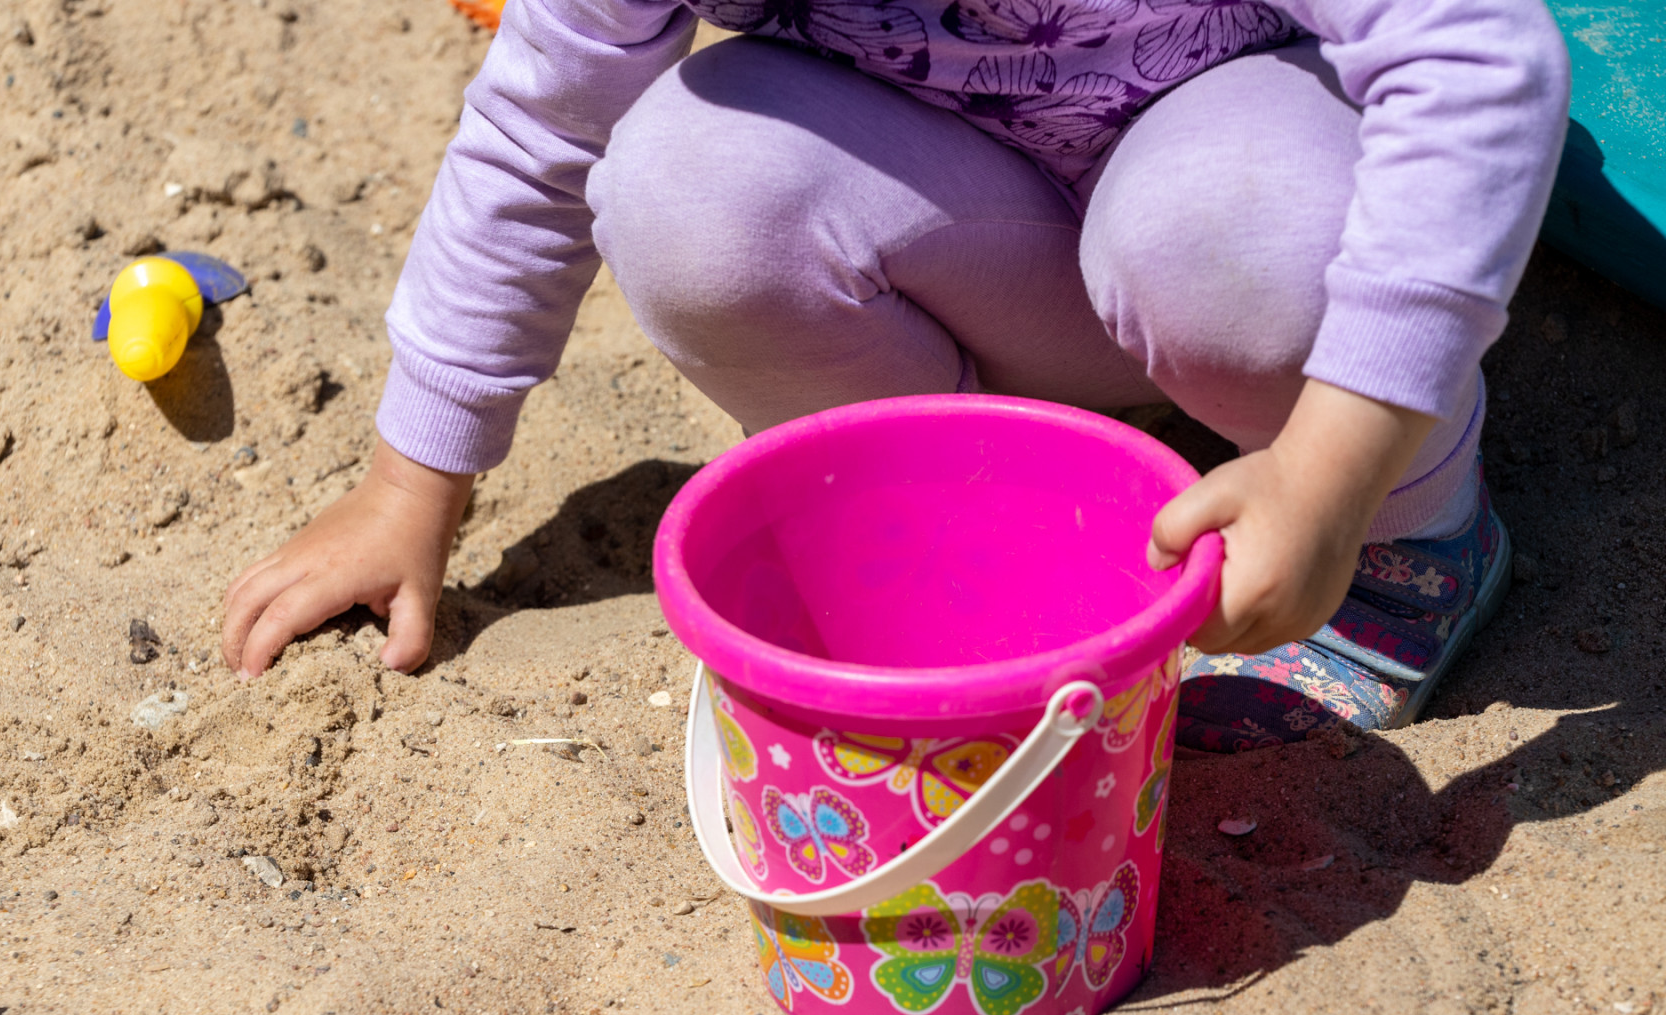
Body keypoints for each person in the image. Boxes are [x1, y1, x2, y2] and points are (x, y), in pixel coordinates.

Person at [221, 0, 1570, 751]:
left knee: (1226, 243)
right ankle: (985, 515)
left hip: (1240, 192)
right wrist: (413, 479)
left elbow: (1483, 63)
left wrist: (1332, 468)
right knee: (691, 185)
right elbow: (538, 132)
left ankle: (1406, 543)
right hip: (990, 234)